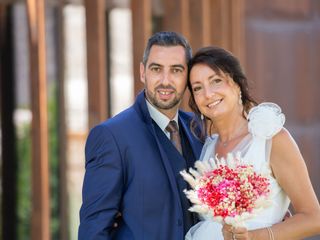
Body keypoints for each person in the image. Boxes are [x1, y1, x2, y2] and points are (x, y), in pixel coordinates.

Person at [185, 46, 320, 240]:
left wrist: (253, 236)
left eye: (216, 81)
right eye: (197, 88)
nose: (208, 93)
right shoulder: (208, 147)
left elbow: (314, 218)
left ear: (237, 84)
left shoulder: (271, 139)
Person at [78, 31, 203, 240]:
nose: (165, 80)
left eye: (176, 70)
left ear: (187, 76)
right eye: (156, 69)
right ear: (143, 72)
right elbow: (94, 230)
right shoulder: (111, 136)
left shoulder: (199, 128)